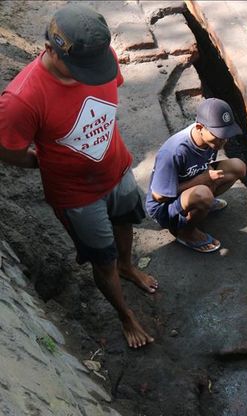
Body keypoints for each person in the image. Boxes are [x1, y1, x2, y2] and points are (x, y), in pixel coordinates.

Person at [0, 5, 158, 349]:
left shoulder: (99, 57)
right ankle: (125, 316)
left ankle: (128, 267)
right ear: (50, 49)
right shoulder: (21, 99)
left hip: (117, 169)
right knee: (102, 260)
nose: (90, 76)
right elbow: (7, 149)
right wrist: (43, 164)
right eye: (80, 69)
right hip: (76, 197)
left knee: (125, 221)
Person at [145, 98, 247, 253]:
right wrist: (202, 180)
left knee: (238, 167)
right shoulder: (174, 151)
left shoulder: (211, 140)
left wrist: (204, 179)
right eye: (219, 135)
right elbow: (159, 196)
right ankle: (185, 232)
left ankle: (201, 205)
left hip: (192, 184)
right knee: (203, 194)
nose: (224, 140)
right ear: (200, 127)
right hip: (165, 208)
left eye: (226, 134)